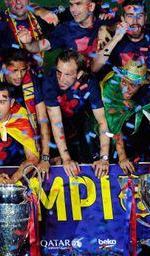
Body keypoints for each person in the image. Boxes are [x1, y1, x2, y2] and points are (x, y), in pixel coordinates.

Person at [101, 60, 150, 174]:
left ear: (142, 84)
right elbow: (113, 123)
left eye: (132, 85)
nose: (126, 89)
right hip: (112, 124)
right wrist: (122, 157)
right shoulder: (112, 86)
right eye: (124, 82)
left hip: (144, 123)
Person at [0, 48, 51, 177]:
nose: (19, 76)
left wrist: (45, 157)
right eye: (14, 71)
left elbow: (42, 119)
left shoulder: (32, 81)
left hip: (23, 118)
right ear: (4, 67)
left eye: (23, 70)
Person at [43, 50, 110, 178]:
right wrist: (66, 158)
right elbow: (56, 122)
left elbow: (102, 121)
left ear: (79, 74)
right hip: (57, 124)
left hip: (82, 120)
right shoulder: (50, 81)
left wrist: (104, 158)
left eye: (68, 74)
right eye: (59, 72)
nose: (61, 79)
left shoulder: (90, 83)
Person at [17, 0, 117, 61]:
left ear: (91, 6)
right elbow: (38, 46)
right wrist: (28, 43)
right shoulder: (64, 28)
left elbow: (124, 24)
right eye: (71, 4)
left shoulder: (105, 17)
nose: (73, 9)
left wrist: (106, 28)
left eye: (78, 4)